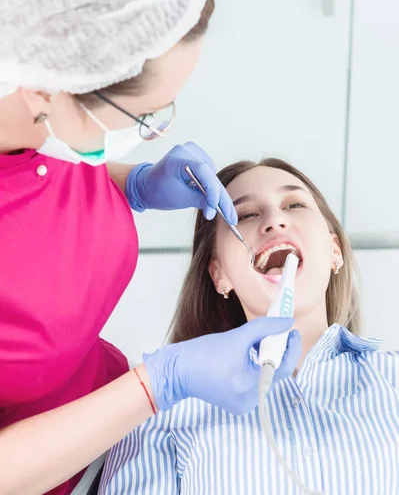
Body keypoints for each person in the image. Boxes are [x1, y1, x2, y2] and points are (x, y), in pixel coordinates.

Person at [0, 0, 300, 495]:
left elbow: (33, 178)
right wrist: (156, 386)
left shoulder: (32, 121)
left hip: (114, 427)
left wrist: (130, 183)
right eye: (145, 115)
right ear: (48, 84)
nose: (159, 130)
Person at [100, 157, 399, 495]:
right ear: (219, 275)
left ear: (335, 252)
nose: (274, 220)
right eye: (246, 215)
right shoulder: (159, 411)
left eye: (295, 204)